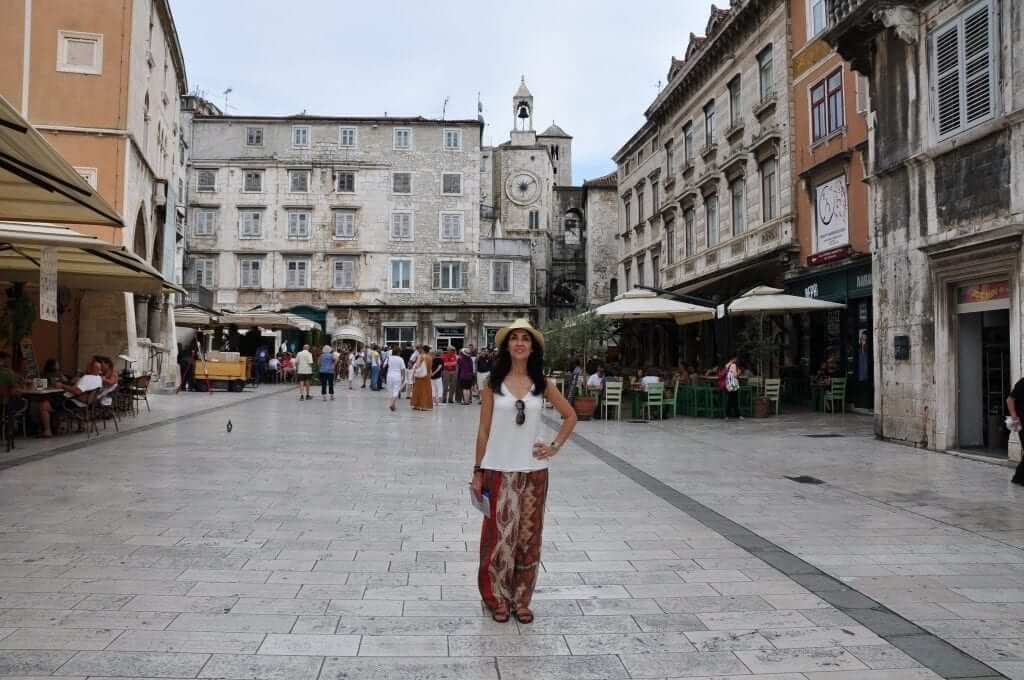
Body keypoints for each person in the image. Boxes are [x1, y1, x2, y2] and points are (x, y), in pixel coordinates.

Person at [471, 319, 577, 624]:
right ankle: (495, 597)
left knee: (528, 538)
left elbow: (570, 416)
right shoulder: (493, 384)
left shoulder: (543, 384)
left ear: (532, 347)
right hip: (498, 469)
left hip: (534, 471)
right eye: (514, 338)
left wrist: (554, 446)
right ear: (507, 347)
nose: (519, 343)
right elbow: (483, 430)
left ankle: (521, 599)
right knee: (498, 537)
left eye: (525, 339)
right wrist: (478, 470)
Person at [39, 358, 103, 437]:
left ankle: (47, 431)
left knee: (44, 405)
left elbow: (77, 391)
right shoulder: (99, 378)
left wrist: (62, 385)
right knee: (54, 399)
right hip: (85, 402)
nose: (86, 367)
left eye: (87, 366)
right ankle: (75, 426)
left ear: (91, 368)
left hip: (73, 401)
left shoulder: (87, 378)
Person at [1009, 376, 1024, 485]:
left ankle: (1018, 477)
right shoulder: (1022, 383)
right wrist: (1014, 416)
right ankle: (1019, 478)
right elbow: (1010, 400)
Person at [411, 345, 433, 411]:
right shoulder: (430, 357)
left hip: (420, 376)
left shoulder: (421, 356)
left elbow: (417, 365)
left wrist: (414, 372)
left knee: (418, 390)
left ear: (423, 350)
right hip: (427, 376)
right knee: (426, 390)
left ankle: (417, 405)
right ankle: (426, 406)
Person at [385, 345, 406, 412]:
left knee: (391, 390)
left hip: (389, 375)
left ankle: (393, 405)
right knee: (396, 390)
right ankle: (392, 404)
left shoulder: (389, 358)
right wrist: (403, 377)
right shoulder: (400, 359)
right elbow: (403, 369)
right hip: (397, 376)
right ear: (398, 352)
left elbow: (384, 365)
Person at [724, 355, 741, 420]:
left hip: (729, 384)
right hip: (733, 384)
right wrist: (739, 372)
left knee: (729, 399)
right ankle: (737, 414)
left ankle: (727, 415)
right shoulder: (733, 365)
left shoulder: (727, 365)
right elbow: (735, 375)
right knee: (734, 399)